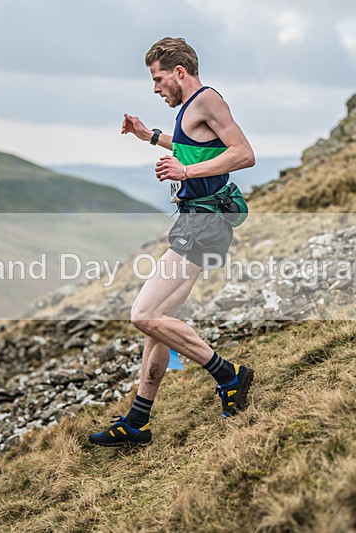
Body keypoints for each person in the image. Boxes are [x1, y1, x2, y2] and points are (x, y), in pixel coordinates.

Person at [89, 37, 256, 447]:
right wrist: (148, 136)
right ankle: (138, 422)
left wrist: (185, 173)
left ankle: (229, 376)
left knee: (144, 315)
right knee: (158, 325)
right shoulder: (192, 108)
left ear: (179, 72)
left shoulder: (207, 100)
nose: (155, 88)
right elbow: (194, 148)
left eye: (158, 78)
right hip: (196, 219)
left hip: (203, 221)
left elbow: (243, 153)